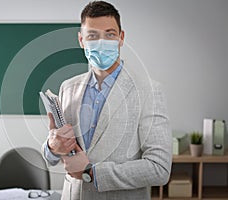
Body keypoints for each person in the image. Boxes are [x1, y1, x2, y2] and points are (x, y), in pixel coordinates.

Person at [41, 1, 172, 199]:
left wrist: (91, 172)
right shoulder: (68, 88)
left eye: (110, 34)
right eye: (92, 36)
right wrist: (52, 146)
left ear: (121, 38)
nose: (101, 42)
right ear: (81, 40)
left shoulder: (149, 91)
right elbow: (53, 156)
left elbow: (159, 168)